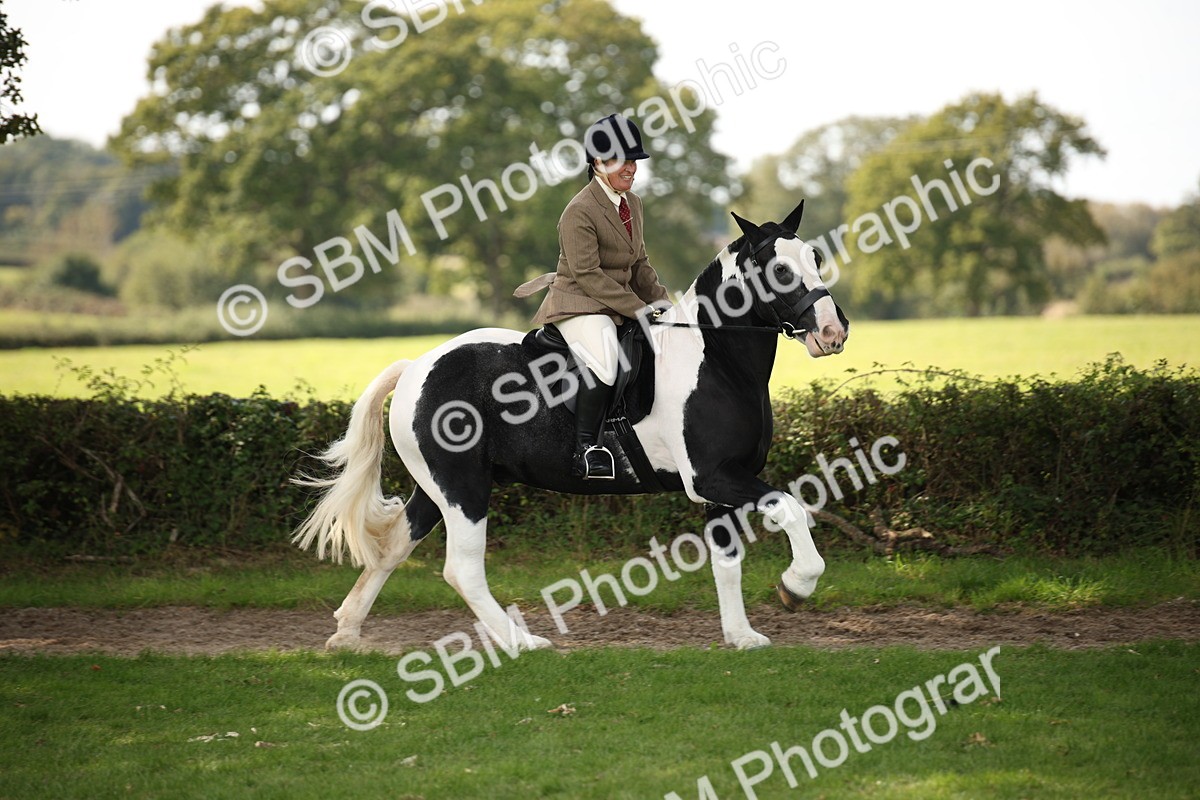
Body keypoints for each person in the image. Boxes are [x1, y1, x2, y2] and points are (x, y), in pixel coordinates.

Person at [514, 114, 671, 480]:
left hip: (616, 300)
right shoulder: (578, 211)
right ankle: (589, 447)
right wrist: (640, 310)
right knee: (605, 357)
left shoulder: (633, 203)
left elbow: (640, 264)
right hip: (580, 303)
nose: (631, 168)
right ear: (598, 163)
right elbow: (588, 275)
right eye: (621, 160)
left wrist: (666, 305)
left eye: (634, 160)